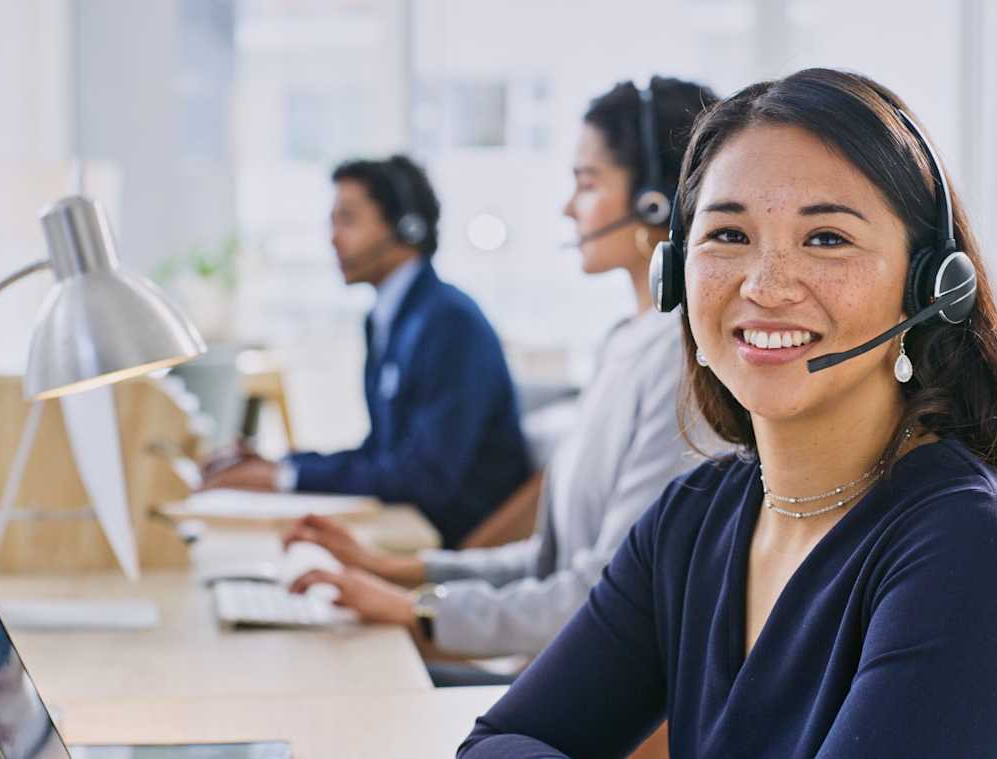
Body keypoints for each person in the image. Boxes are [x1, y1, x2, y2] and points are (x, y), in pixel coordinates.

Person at [459, 68, 997, 757]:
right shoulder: (691, 520)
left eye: (827, 238)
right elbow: (504, 739)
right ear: (675, 271)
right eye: (728, 235)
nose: (766, 285)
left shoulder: (978, 547)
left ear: (928, 285)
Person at [282, 77, 723, 686]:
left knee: (344, 685)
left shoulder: (681, 364)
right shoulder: (626, 342)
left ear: (654, 199)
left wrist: (416, 609)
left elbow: (607, 592)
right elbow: (548, 561)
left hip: (607, 707)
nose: (570, 207)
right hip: (560, 675)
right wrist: (397, 571)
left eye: (586, 183)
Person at [203, 155, 531, 548]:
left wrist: (284, 478)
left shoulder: (449, 323)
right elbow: (381, 453)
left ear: (406, 228)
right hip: (410, 526)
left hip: (448, 541)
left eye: (348, 219)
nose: (332, 237)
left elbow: (425, 477)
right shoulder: (388, 318)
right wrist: (282, 465)